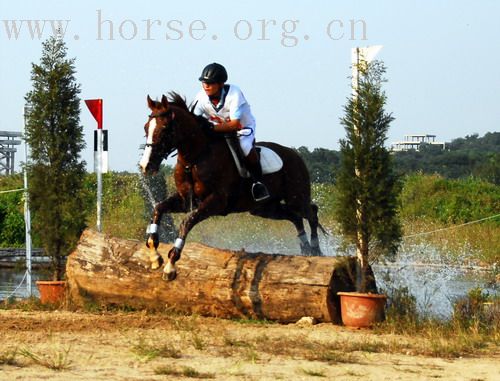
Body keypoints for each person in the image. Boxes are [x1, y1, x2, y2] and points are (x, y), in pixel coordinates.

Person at [193, 62, 270, 201]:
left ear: (221, 84)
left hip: (243, 127)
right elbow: (193, 119)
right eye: (204, 82)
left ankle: (258, 183)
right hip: (219, 129)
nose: (206, 86)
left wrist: (209, 127)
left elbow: (235, 124)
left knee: (245, 147)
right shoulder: (200, 97)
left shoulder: (234, 93)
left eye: (210, 83)